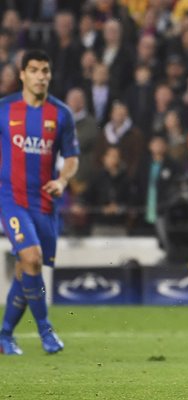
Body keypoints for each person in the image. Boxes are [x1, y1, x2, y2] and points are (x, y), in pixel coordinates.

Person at [0, 50, 80, 355]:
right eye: (34, 70)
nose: (40, 76)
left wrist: (62, 180)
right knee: (31, 258)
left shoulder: (61, 114)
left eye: (45, 70)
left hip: (46, 204)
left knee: (27, 269)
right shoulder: (4, 109)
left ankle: (5, 334)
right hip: (11, 199)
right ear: (22, 74)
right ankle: (45, 330)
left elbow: (71, 157)